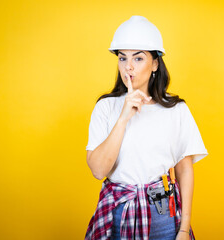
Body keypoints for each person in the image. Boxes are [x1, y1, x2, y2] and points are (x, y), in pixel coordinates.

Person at [84, 16, 208, 240]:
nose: (128, 66)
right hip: (118, 210)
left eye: (138, 58)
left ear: (155, 63)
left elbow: (184, 170)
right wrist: (123, 117)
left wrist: (183, 228)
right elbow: (98, 171)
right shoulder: (106, 107)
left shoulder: (176, 110)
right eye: (122, 58)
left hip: (163, 212)